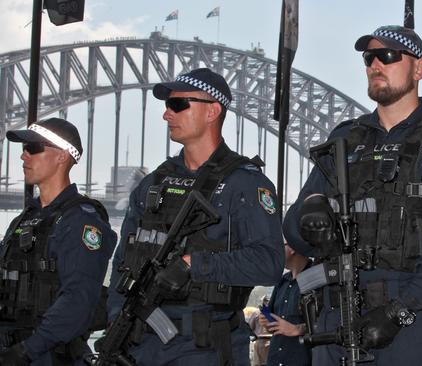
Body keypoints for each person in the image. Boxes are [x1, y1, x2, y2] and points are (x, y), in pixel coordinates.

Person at [283, 25, 422, 365]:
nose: (376, 64)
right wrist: (312, 222)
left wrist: (399, 312)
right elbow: (293, 229)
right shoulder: (345, 140)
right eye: (369, 57)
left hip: (411, 322)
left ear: (419, 68)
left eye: (388, 56)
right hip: (337, 317)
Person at [106, 68, 284, 366]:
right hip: (140, 346)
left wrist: (192, 265)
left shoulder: (246, 184)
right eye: (167, 106)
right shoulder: (152, 184)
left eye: (178, 105)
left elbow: (269, 263)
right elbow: (122, 260)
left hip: (204, 349)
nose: (166, 115)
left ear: (212, 111)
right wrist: (116, 317)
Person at [0, 118, 116, 365]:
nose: (24, 157)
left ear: (62, 156)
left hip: (46, 356)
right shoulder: (25, 220)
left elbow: (78, 299)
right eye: (23, 150)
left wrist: (27, 351)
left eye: (33, 149)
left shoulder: (81, 221)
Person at [260, 242, 312, 366]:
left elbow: (326, 323)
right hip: (275, 359)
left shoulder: (316, 278)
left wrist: (297, 329)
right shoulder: (282, 281)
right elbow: (275, 323)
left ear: (293, 248)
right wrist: (267, 322)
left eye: (281, 245)